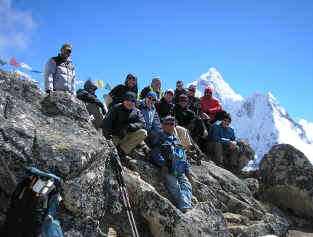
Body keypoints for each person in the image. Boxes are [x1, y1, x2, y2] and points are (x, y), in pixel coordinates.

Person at [151, 116, 192, 213]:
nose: (169, 126)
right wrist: (163, 165)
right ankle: (185, 207)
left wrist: (187, 168)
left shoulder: (176, 139)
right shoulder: (159, 137)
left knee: (187, 185)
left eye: (172, 124)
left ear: (174, 126)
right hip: (167, 167)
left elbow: (182, 155)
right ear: (162, 125)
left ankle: (186, 205)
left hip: (179, 168)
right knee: (174, 185)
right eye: (167, 124)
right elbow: (155, 153)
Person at [102, 91, 147, 157]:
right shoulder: (116, 108)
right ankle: (113, 150)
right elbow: (106, 123)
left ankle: (122, 151)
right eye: (127, 100)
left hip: (127, 136)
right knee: (107, 149)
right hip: (114, 136)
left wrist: (129, 127)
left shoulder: (137, 111)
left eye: (132, 101)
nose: (130, 102)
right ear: (124, 100)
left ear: (135, 102)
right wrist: (108, 136)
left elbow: (142, 123)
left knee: (143, 133)